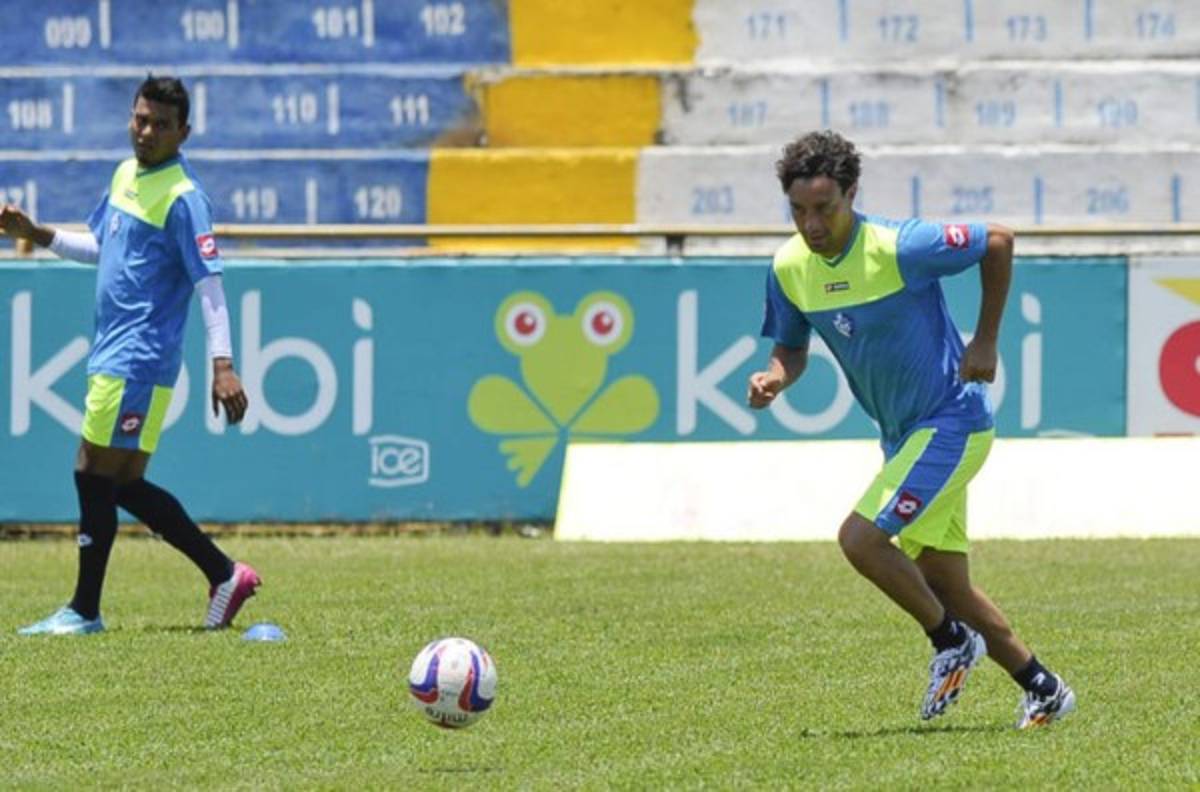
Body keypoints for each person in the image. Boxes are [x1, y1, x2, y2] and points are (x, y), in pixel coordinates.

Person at [747, 131, 1075, 729]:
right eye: (798, 210)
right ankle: (1044, 688)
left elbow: (997, 242)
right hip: (903, 436)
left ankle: (950, 641)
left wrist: (986, 340)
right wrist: (774, 377)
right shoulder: (789, 267)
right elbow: (789, 349)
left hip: (953, 421)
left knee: (860, 539)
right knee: (946, 581)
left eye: (824, 208)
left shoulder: (900, 246)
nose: (811, 224)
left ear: (851, 194)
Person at [1, 75, 260, 635]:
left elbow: (209, 283)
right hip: (118, 353)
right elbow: (101, 245)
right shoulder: (125, 175)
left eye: (161, 124)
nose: (146, 131)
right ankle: (223, 574)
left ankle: (84, 610)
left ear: (183, 132)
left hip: (137, 357)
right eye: (141, 119)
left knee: (91, 472)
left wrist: (223, 364)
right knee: (118, 484)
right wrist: (36, 232)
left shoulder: (185, 199)